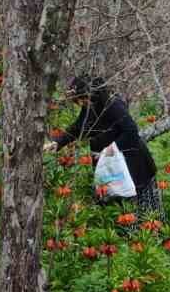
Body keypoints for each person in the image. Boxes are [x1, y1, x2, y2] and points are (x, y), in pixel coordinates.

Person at [45, 75, 162, 215]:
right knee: (113, 206)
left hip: (132, 165)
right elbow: (79, 127)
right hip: (109, 165)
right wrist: (58, 142)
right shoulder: (90, 106)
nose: (81, 104)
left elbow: (131, 130)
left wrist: (111, 149)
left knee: (139, 211)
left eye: (82, 99)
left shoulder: (112, 104)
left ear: (91, 94)